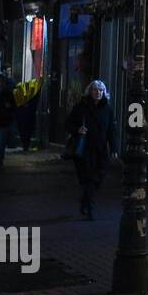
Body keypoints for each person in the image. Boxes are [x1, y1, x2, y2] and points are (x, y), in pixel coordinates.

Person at [65, 80, 118, 220]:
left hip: (100, 150)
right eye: (95, 90)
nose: (98, 92)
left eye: (101, 90)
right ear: (90, 91)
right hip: (85, 149)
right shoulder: (81, 107)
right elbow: (68, 123)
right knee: (89, 177)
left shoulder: (107, 109)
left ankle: (85, 200)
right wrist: (78, 129)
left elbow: (111, 130)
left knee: (99, 177)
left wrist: (114, 147)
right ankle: (90, 208)